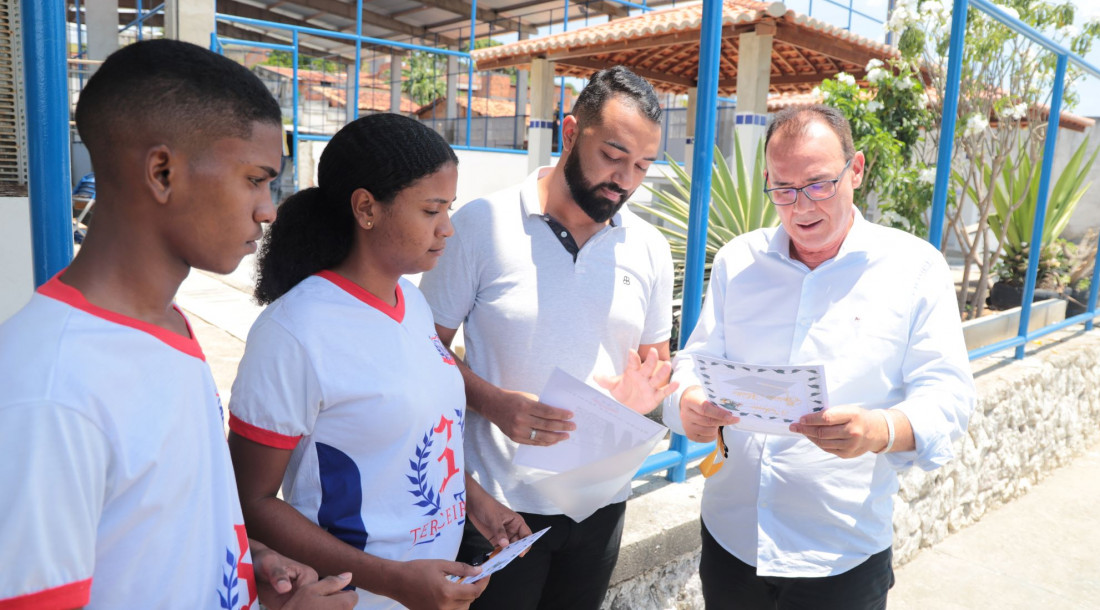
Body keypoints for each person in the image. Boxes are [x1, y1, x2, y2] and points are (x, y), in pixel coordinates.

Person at [0, 39, 356, 609]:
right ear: (162, 172)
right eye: (255, 179)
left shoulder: (168, 326)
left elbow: (147, 530)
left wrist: (244, 561)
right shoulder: (50, 388)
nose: (268, 209)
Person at [666, 104, 976, 609]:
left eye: (818, 184)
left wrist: (879, 429)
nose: (801, 206)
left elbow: (949, 395)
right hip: (731, 538)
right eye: (783, 189)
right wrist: (689, 401)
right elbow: (695, 360)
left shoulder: (915, 268)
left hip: (840, 552)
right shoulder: (737, 261)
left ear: (856, 170)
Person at [226, 113, 532, 610]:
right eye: (431, 210)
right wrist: (392, 580)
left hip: (431, 593)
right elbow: (250, 501)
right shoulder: (294, 332)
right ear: (366, 208)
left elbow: (416, 440)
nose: (448, 229)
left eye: (449, 208)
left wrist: (478, 503)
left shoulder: (412, 304)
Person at [418, 66, 678, 610]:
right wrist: (494, 403)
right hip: (497, 510)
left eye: (642, 165)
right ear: (571, 132)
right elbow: (421, 348)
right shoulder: (480, 225)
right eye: (613, 155)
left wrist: (640, 396)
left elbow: (655, 363)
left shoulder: (651, 247)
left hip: (600, 503)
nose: (625, 179)